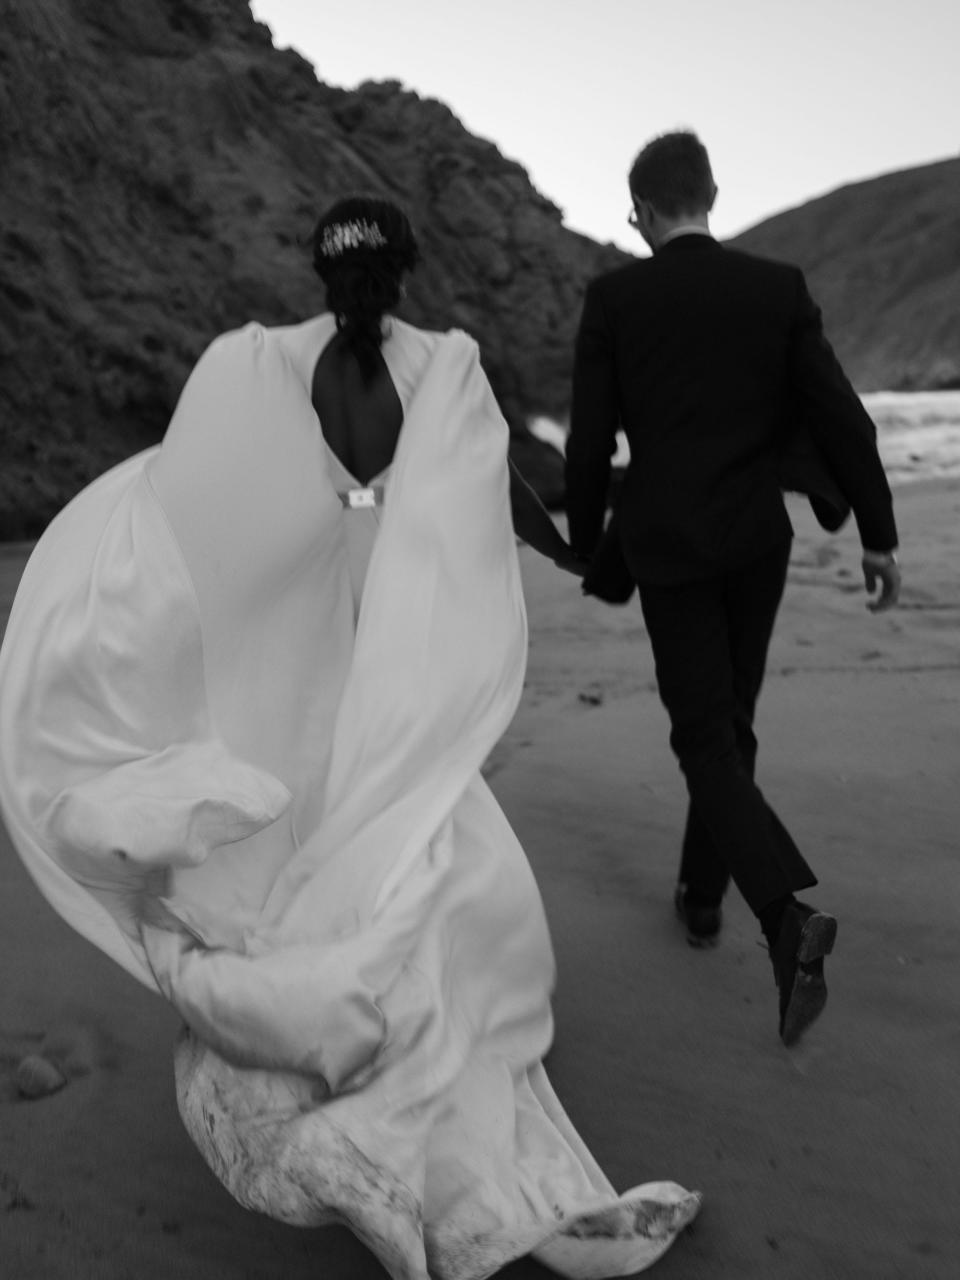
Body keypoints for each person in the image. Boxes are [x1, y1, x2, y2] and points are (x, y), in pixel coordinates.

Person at [0, 195, 699, 1278]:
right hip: (390, 632)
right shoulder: (444, 367)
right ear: (406, 270)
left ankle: (328, 1053)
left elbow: (191, 509)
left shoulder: (255, 364)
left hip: (304, 633)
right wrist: (569, 551)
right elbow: (493, 489)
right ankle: (425, 1057)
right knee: (415, 836)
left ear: (318, 270)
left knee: (294, 835)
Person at [565, 132, 901, 1048]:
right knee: (732, 725)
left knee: (705, 739)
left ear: (637, 213)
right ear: (712, 193)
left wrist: (586, 539)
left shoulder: (616, 297)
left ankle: (784, 915)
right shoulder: (775, 287)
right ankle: (701, 901)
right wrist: (878, 534)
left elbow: (590, 442)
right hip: (757, 541)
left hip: (669, 544)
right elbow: (841, 412)